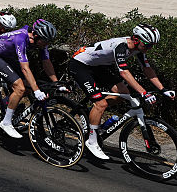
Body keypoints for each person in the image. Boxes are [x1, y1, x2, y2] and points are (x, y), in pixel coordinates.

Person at [67, 24, 170, 160]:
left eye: (152, 46)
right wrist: (144, 92)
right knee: (101, 104)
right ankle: (92, 141)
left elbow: (147, 69)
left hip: (98, 66)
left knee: (123, 93)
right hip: (80, 65)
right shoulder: (121, 46)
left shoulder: (139, 49)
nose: (149, 49)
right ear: (136, 40)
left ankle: (94, 115)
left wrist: (163, 89)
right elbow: (124, 73)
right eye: (147, 45)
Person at [0, 19, 60, 139]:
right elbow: (25, 68)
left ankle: (2, 106)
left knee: (27, 88)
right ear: (35, 35)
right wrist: (37, 91)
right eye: (44, 41)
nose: (46, 44)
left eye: (48, 42)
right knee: (20, 88)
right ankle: (6, 122)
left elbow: (46, 62)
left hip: (8, 57)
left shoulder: (41, 40)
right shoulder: (21, 37)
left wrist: (56, 83)